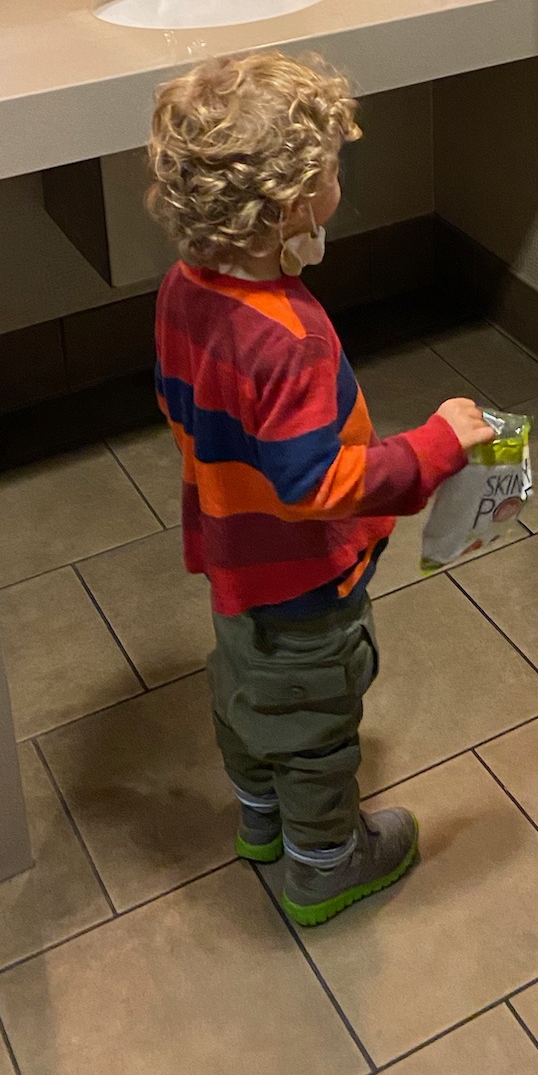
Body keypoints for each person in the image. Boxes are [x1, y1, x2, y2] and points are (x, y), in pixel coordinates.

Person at [146, 50, 493, 926]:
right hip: (305, 576)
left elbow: (174, 397)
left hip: (232, 549)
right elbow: (317, 484)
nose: (341, 179)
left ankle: (259, 821)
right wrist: (433, 449)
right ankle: (325, 865)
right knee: (314, 722)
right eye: (332, 167)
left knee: (242, 688)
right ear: (295, 202)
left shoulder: (184, 289)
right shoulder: (289, 337)